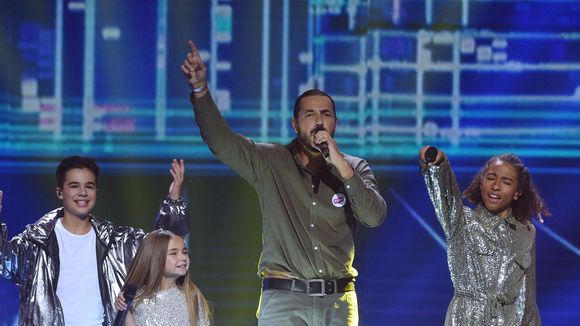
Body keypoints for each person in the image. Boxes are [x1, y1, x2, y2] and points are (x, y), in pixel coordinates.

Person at [180, 40, 387, 326]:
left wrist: (341, 168)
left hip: (338, 302)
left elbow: (374, 217)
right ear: (294, 123)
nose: (319, 121)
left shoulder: (354, 167)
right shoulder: (270, 160)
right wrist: (200, 91)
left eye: (326, 114)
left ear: (336, 123)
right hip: (285, 301)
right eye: (310, 114)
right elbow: (221, 142)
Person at [0, 156, 189, 325]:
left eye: (89, 186)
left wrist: (173, 199)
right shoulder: (35, 242)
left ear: (96, 191)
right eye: (74, 186)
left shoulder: (118, 241)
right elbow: (4, 261)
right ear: (60, 192)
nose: (83, 192)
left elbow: (163, 244)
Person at [419, 146, 550, 325]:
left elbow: (527, 299)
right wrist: (438, 166)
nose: (496, 186)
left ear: (517, 192)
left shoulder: (525, 231)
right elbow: (445, 196)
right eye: (491, 178)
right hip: (465, 319)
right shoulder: (461, 221)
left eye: (506, 182)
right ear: (481, 182)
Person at [114, 229, 211, 325]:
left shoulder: (191, 294)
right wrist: (125, 311)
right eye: (174, 253)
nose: (183, 258)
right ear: (156, 258)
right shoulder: (135, 299)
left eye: (184, 252)